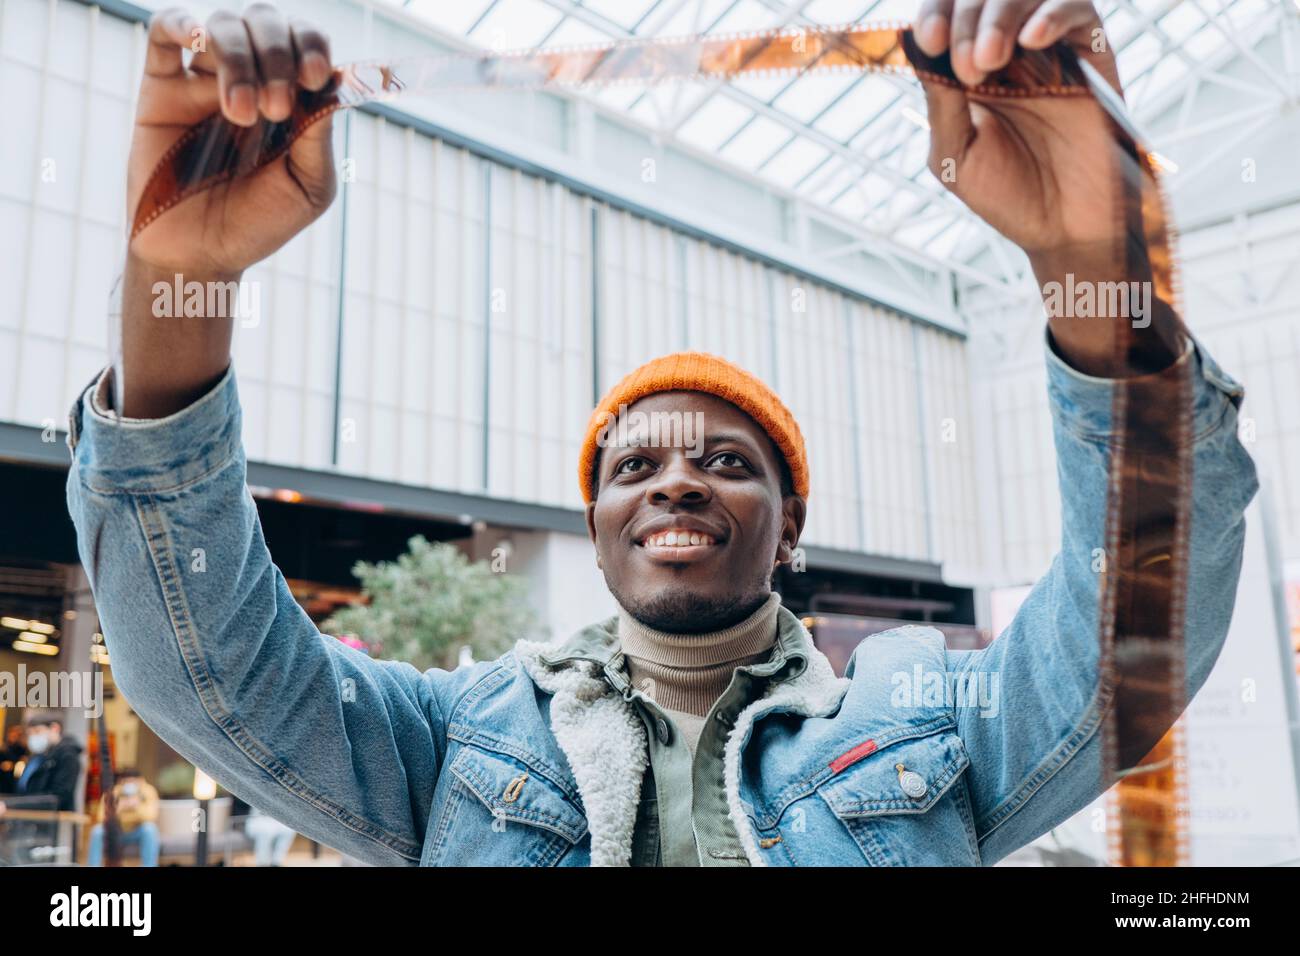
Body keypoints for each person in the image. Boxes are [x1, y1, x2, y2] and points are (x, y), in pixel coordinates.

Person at [62, 2, 1258, 865]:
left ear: (790, 529)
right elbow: (205, 668)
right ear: (594, 529)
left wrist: (1094, 272)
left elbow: (1129, 641)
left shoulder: (927, 719)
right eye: (633, 465)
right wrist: (182, 284)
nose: (675, 480)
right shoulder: (448, 736)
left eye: (727, 463)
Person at [0, 711, 83, 819]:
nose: (33, 737)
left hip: (52, 824)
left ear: (54, 728)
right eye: (30, 733)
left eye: (37, 731)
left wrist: (10, 805)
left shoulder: (67, 756)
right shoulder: (38, 756)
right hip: (27, 821)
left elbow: (59, 797)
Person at [86, 768, 161, 867]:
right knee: (97, 831)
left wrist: (137, 807)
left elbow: (151, 816)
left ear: (141, 781)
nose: (130, 785)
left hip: (136, 831)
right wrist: (118, 808)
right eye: (126, 782)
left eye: (133, 782)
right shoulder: (113, 792)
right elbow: (101, 818)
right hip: (116, 832)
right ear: (121, 782)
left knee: (150, 829)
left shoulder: (148, 791)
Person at [0, 724, 27, 795]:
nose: (12, 736)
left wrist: (12, 765)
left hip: (13, 777)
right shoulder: (4, 747)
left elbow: (23, 762)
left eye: (16, 734)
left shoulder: (21, 748)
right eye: (11, 733)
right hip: (2, 776)